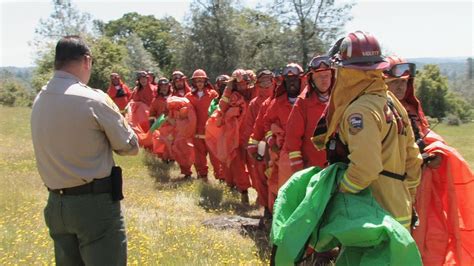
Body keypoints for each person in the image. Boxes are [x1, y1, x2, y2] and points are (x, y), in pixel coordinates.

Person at [31, 35, 139, 265]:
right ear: (87, 61)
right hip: (93, 205)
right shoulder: (92, 99)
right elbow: (129, 147)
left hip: (56, 204)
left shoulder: (40, 98)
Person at [312, 31, 422, 229]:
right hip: (399, 212)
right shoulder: (391, 101)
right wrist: (408, 197)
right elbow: (413, 158)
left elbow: (366, 169)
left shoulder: (360, 111)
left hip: (372, 217)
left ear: (348, 70)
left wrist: (338, 190)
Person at [384, 55, 474, 265]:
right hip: (392, 188)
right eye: (395, 82)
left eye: (404, 82)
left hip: (420, 186)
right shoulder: (379, 110)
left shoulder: (413, 108)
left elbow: (426, 134)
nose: (400, 87)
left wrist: (435, 152)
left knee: (429, 233)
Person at [249, 63, 305, 213]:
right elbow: (264, 124)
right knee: (276, 183)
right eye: (288, 79)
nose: (292, 83)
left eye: (295, 79)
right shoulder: (275, 104)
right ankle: (272, 215)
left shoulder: (308, 102)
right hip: (280, 154)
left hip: (306, 154)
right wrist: (270, 141)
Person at [283, 56, 333, 174]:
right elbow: (292, 139)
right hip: (312, 170)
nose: (324, 80)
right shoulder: (303, 103)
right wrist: (299, 171)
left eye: (326, 75)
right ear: (312, 79)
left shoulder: (340, 99)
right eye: (319, 76)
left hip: (337, 168)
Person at [243, 69, 275, 220]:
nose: (266, 83)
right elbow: (249, 127)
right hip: (261, 146)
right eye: (263, 80)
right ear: (258, 83)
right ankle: (266, 209)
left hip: (277, 146)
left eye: (269, 80)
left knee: (276, 178)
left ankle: (275, 209)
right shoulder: (254, 104)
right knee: (261, 177)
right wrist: (252, 147)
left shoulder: (279, 99)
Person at [185, 69, 218, 180]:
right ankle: (203, 176)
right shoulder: (188, 96)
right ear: (193, 82)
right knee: (199, 157)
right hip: (196, 132)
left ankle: (221, 178)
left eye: (201, 80)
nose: (199, 82)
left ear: (205, 81)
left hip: (210, 131)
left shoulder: (213, 94)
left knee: (215, 157)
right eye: (197, 80)